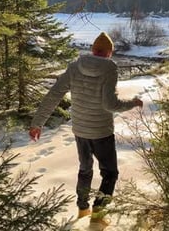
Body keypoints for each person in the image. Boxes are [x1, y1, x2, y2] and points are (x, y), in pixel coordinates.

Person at [28, 32, 143, 226]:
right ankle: (98, 214)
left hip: (80, 130)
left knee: (85, 170)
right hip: (101, 132)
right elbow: (110, 104)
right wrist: (132, 103)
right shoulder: (109, 68)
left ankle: (82, 208)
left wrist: (37, 123)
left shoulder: (74, 67)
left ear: (93, 50)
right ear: (109, 52)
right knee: (110, 173)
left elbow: (54, 94)